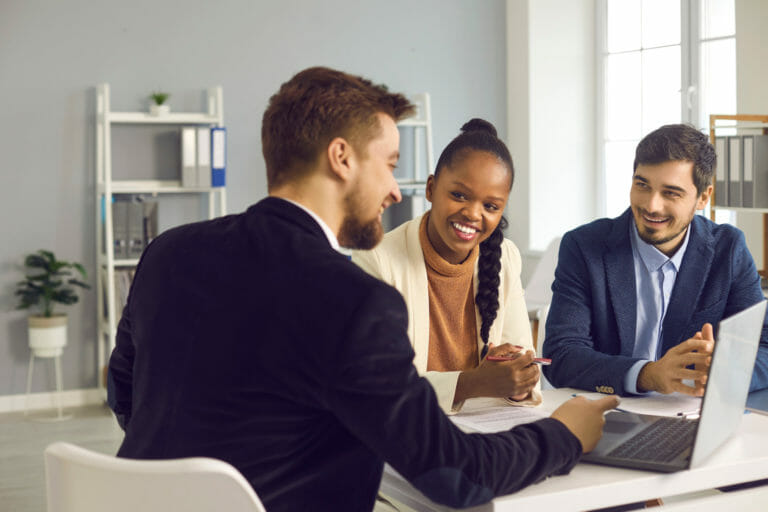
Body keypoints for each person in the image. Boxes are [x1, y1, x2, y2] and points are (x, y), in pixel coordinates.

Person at [108, 66, 618, 512]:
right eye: (391, 164)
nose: (397, 190)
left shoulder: (168, 253)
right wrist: (564, 433)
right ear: (341, 158)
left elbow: (126, 396)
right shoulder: (354, 302)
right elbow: (456, 476)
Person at [543, 123, 768, 397]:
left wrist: (722, 372)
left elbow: (763, 346)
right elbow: (560, 356)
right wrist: (648, 375)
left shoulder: (729, 249)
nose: (652, 205)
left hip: (689, 415)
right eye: (642, 185)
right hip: (606, 412)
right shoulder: (583, 247)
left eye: (671, 193)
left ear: (703, 198)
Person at [353, 119, 541, 413]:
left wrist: (516, 381)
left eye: (490, 206)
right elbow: (377, 384)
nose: (472, 214)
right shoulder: (377, 259)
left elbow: (524, 372)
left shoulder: (505, 256)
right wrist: (475, 382)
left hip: (483, 430)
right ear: (431, 188)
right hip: (405, 436)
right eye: (459, 195)